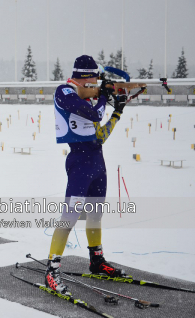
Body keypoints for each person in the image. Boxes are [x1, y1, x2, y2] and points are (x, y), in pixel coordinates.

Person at [46, 55, 128, 295]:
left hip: (96, 160)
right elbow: (91, 114)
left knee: (95, 215)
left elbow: (99, 136)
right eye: (95, 79)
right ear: (86, 78)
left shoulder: (91, 99)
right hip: (79, 162)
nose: (97, 83)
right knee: (69, 216)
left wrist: (118, 112)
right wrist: (103, 96)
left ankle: (96, 260)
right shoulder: (64, 92)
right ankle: (51, 270)